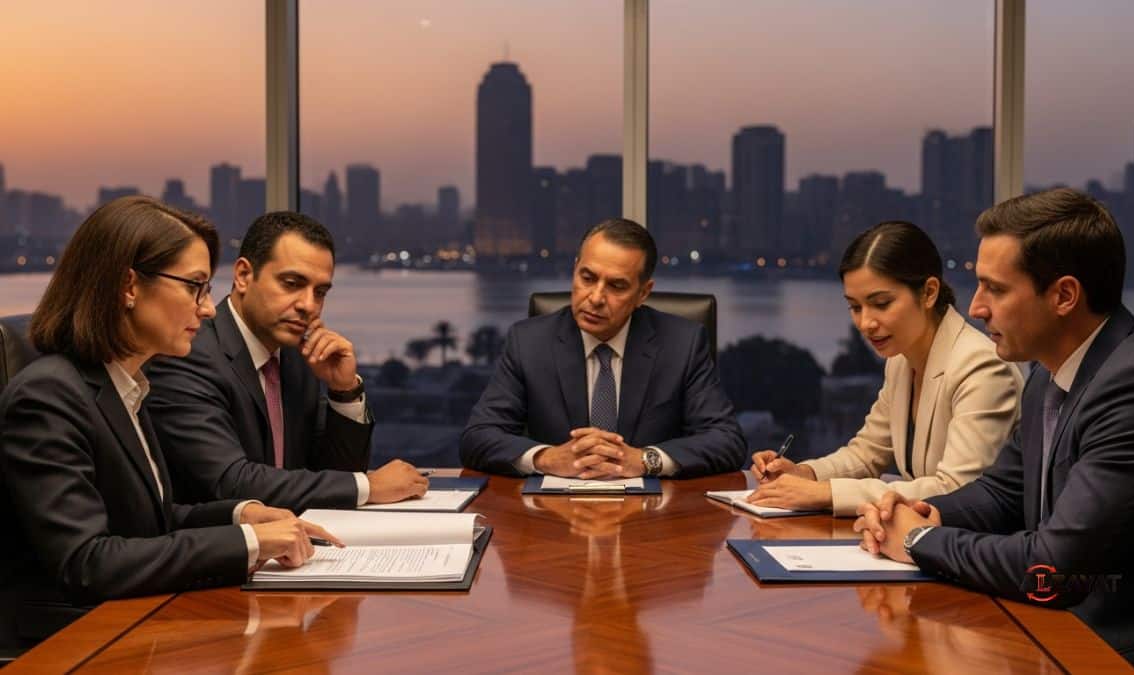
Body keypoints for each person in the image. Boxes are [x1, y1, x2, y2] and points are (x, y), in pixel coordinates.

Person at [852, 189, 1134, 672]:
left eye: (995, 289)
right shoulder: (1050, 372)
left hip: (1116, 648)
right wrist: (920, 512)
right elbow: (1003, 492)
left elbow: (1052, 569)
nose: (975, 308)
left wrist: (918, 542)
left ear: (1063, 296)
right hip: (1050, 626)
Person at [0, 196, 338, 646]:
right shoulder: (47, 396)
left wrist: (245, 514)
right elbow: (88, 561)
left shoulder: (125, 386)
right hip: (70, 643)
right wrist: (251, 544)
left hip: (138, 623)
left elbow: (154, 520)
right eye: (194, 286)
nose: (208, 308)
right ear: (129, 286)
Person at [145, 211, 428, 512]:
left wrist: (343, 390)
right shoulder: (186, 355)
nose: (309, 305)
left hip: (295, 545)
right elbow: (230, 482)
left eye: (320, 292)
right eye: (292, 283)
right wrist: (368, 486)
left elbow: (334, 476)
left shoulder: (296, 354)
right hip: (220, 549)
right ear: (243, 276)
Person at [747, 221, 1023, 516]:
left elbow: (957, 490)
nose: (866, 323)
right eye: (855, 307)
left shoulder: (983, 368)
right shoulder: (901, 360)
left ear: (929, 292)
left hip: (976, 548)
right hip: (920, 539)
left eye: (881, 303)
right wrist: (805, 474)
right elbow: (867, 454)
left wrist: (824, 493)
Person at [460, 218, 746, 478]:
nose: (596, 297)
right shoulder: (529, 342)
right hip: (554, 515)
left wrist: (646, 460)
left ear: (642, 293)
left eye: (617, 286)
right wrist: (547, 458)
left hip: (653, 517)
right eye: (587, 278)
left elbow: (726, 440)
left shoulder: (682, 344)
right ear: (575, 270)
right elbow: (478, 437)